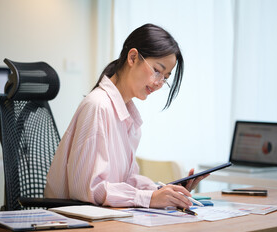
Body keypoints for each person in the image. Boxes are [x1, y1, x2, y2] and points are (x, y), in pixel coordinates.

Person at [45, 23, 208, 209]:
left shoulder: (127, 115)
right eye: (157, 70)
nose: (159, 83)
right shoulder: (98, 106)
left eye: (165, 77)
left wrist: (164, 191)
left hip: (105, 219)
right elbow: (88, 189)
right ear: (132, 57)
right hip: (74, 226)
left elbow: (125, 182)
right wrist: (148, 198)